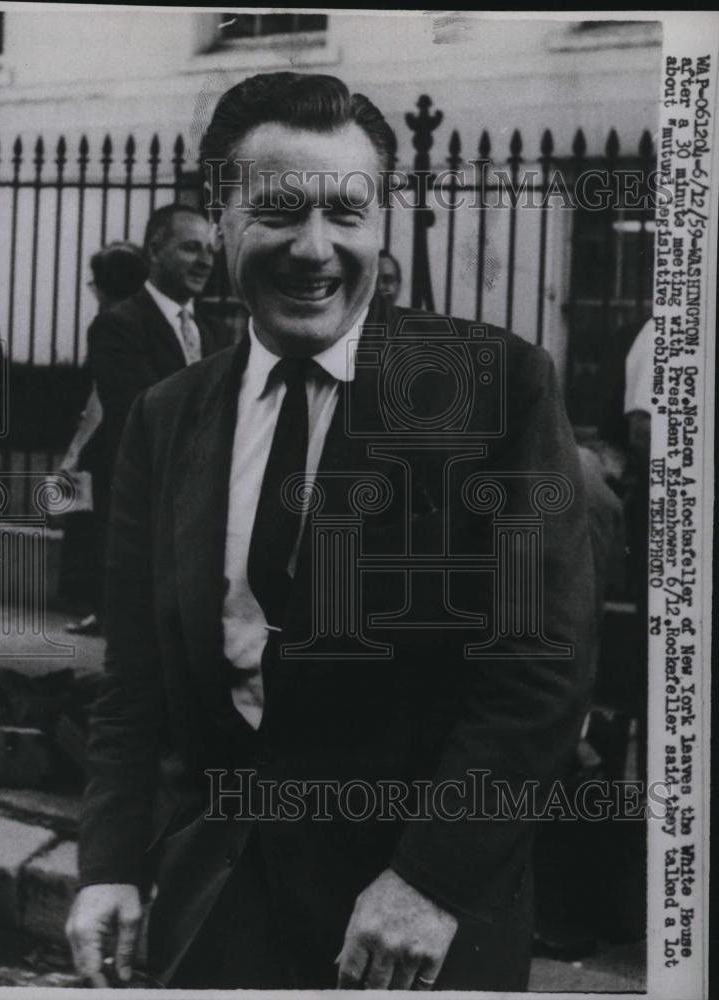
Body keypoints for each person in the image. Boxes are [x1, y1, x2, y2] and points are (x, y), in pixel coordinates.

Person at [67, 72, 595, 991]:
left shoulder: (493, 387)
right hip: (219, 907)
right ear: (222, 218)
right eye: (277, 211)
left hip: (417, 927)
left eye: (347, 214)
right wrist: (110, 860)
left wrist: (432, 878)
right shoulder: (165, 414)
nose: (316, 251)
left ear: (381, 223)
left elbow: (541, 671)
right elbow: (135, 676)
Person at [86, 204, 235, 484]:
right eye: (191, 248)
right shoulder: (118, 326)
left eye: (210, 250)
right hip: (143, 497)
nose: (206, 261)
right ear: (154, 252)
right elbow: (143, 418)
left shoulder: (217, 333)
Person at [59, 243, 149, 636]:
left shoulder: (109, 323)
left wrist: (74, 451)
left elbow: (100, 398)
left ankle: (101, 610)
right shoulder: (146, 320)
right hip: (134, 445)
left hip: (106, 445)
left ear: (104, 286)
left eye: (94, 283)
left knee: (93, 531)